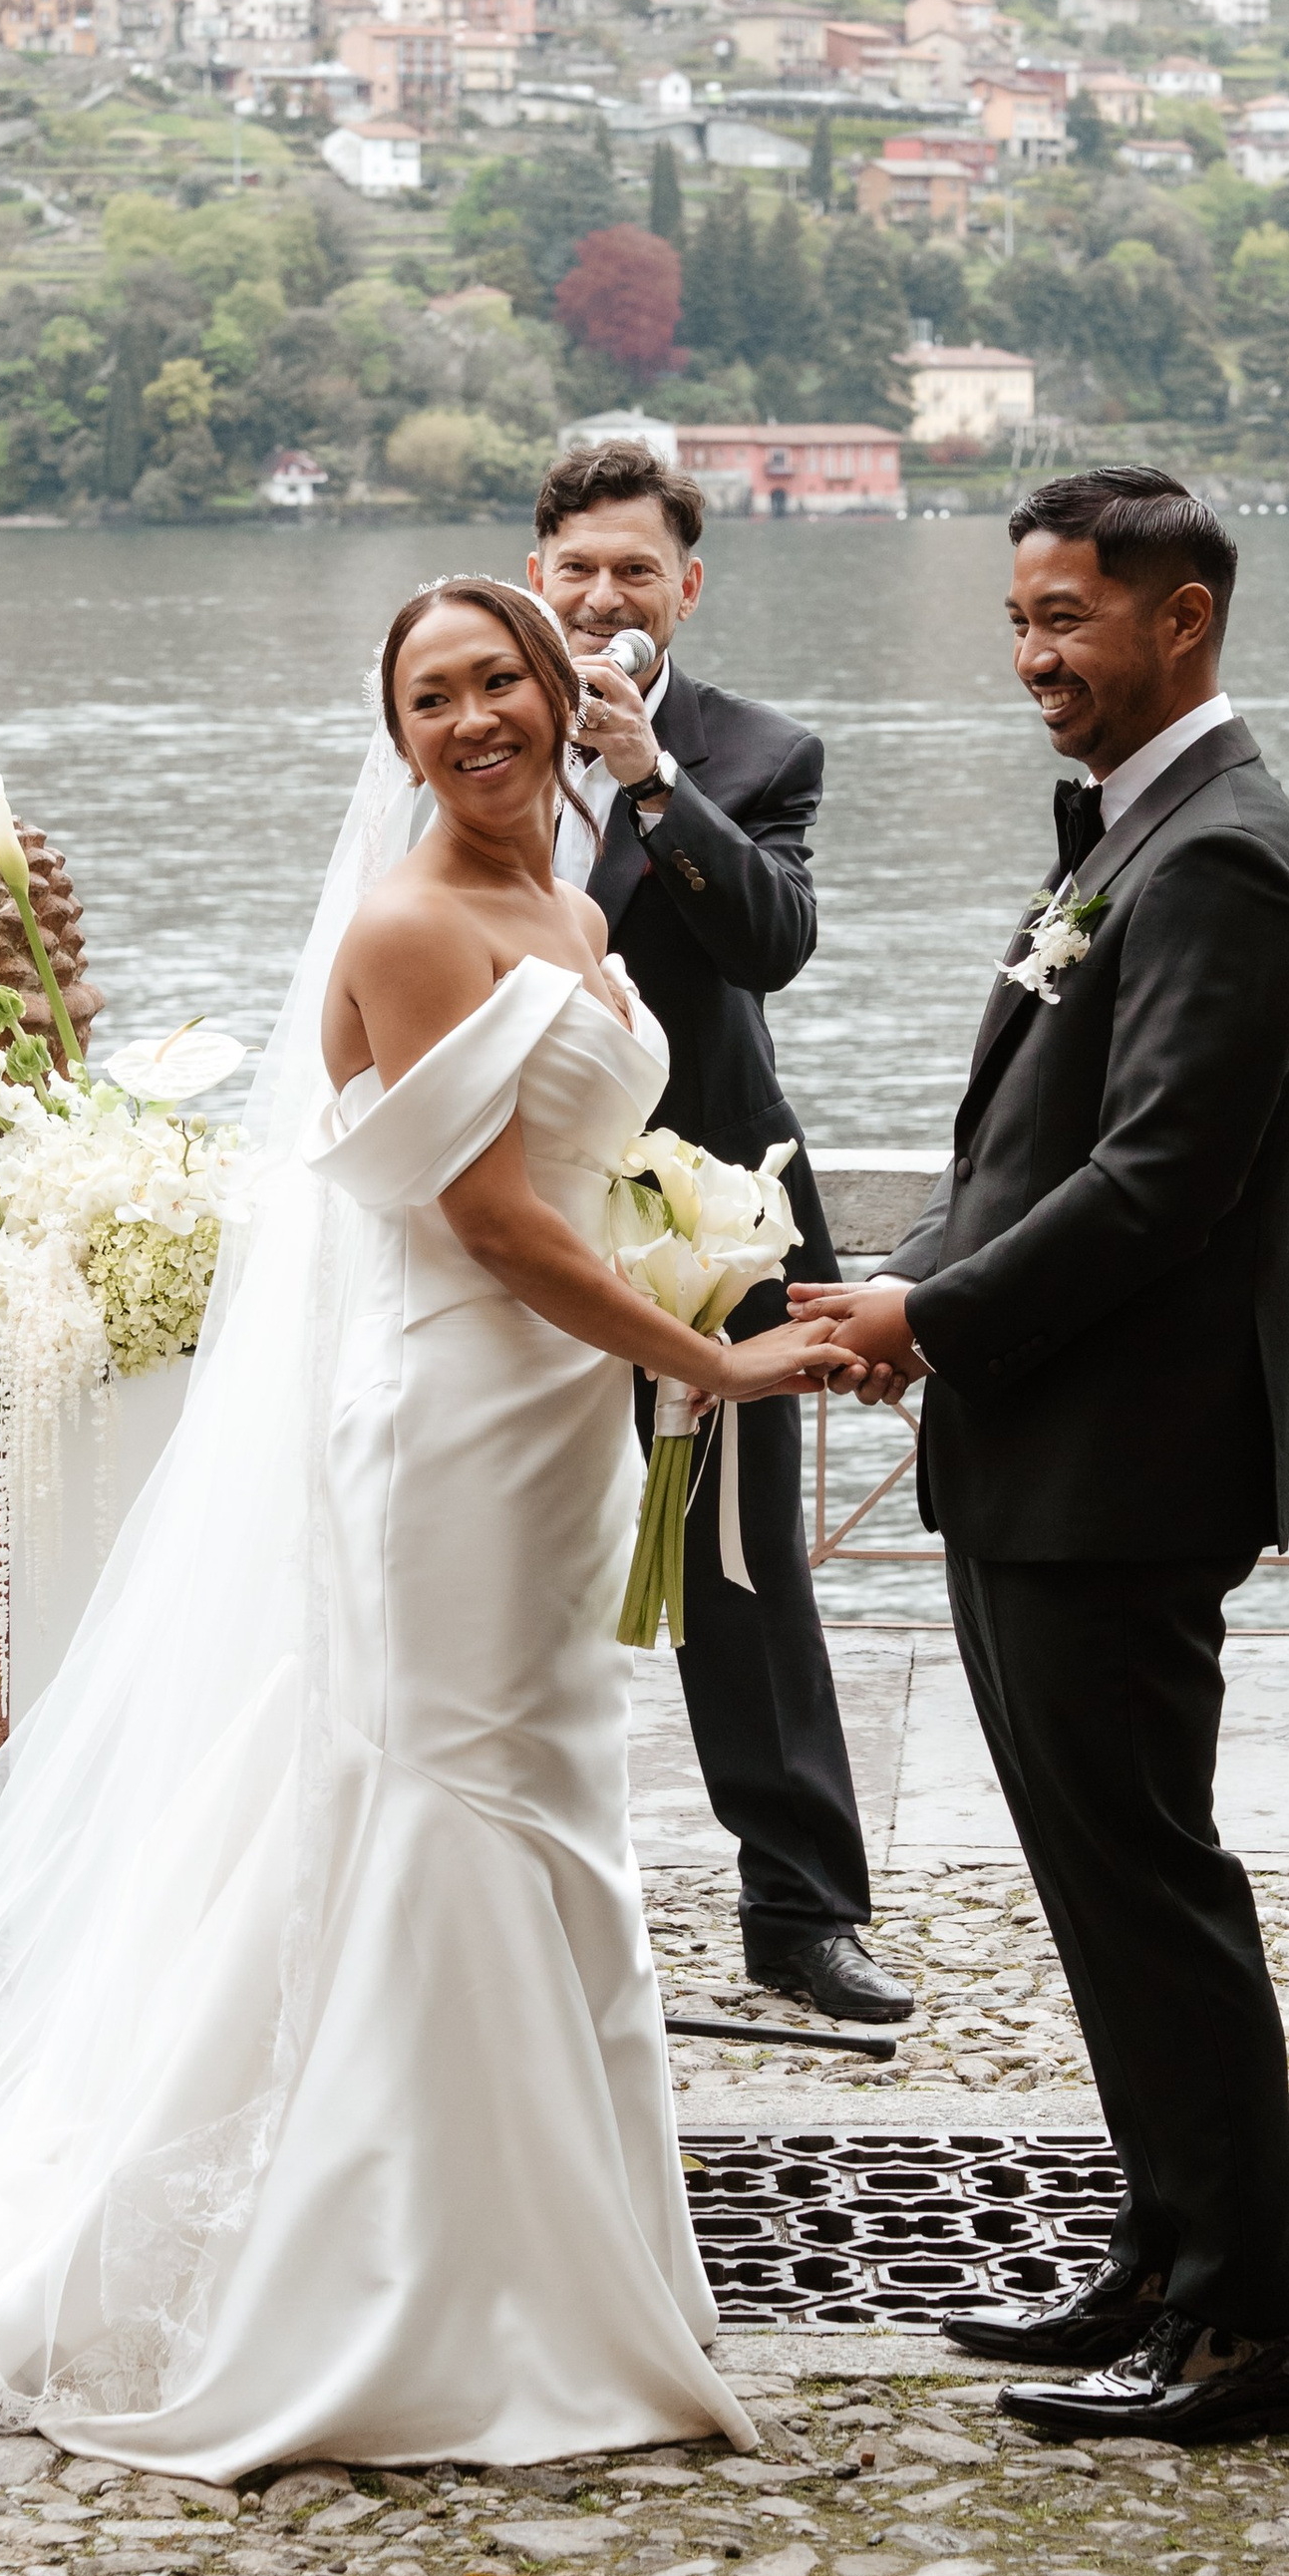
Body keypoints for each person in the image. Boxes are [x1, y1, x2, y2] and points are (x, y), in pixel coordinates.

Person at [0, 579, 850, 2477]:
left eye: (495, 681)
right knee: (449, 1792)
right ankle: (420, 2293)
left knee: (532, 1793)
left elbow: (581, 1185)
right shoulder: (416, 920)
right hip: (456, 1419)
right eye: (428, 699)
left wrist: (669, 1278)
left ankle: (543, 2261)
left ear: (558, 684)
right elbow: (494, 1225)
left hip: (553, 1424)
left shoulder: (579, 910)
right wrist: (717, 1355)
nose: (470, 722)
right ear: (401, 733)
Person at [792, 468, 1289, 2447]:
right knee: (1102, 1884)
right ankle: (1163, 2261)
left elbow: (1156, 1184)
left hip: (1121, 1470)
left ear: (1178, 618)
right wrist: (906, 1282)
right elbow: (1023, 1154)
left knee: (1146, 1886)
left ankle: (1256, 2339)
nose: (1029, 657)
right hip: (1052, 1452)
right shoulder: (1141, 830)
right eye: (1018, 620)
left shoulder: (1215, 858)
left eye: (1063, 622)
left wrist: (928, 1321)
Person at [527, 438, 909, 2029]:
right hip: (516, 1208)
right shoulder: (463, 728)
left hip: (713, 1214)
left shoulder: (754, 750)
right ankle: (522, 1903)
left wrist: (645, 781)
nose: (603, 595)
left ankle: (800, 1913)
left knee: (740, 1564)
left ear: (686, 585)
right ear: (535, 575)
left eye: (634, 568)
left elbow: (773, 939)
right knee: (506, 1543)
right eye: (576, 568)